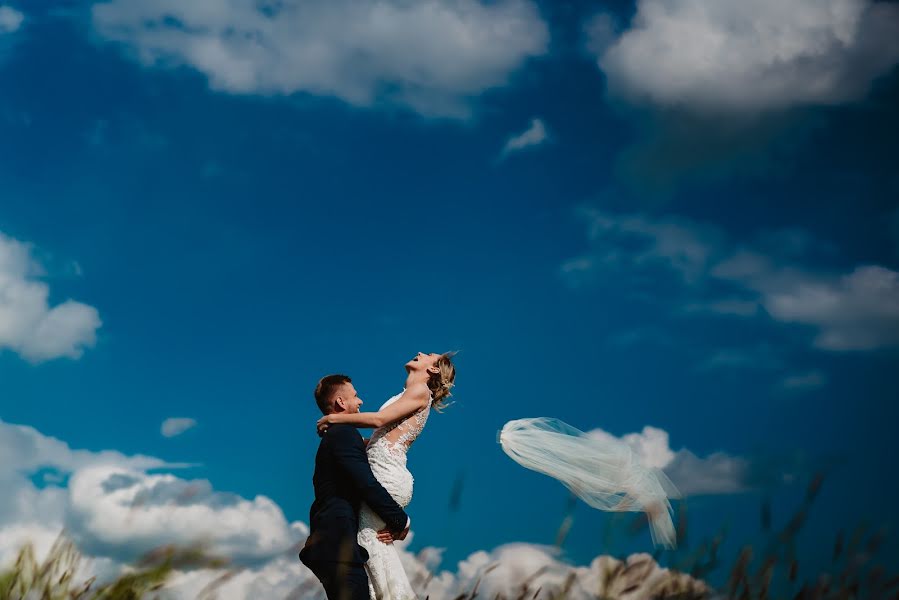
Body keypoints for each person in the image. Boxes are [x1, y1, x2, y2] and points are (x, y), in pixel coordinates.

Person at [316, 352, 456, 600]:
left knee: (366, 541)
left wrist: (335, 418)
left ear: (433, 370)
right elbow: (380, 436)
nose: (421, 353)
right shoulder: (406, 395)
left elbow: (379, 419)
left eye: (429, 355)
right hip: (385, 469)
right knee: (369, 543)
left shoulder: (421, 391)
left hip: (387, 474)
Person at [300, 374, 411, 600]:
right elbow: (366, 483)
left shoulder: (339, 435)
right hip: (337, 544)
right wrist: (400, 520)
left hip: (335, 544)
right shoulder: (344, 433)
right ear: (341, 402)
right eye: (355, 395)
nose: (360, 401)